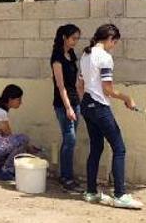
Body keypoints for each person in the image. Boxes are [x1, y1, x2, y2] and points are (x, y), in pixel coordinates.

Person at [77, 23, 143, 209]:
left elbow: (79, 86)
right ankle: (120, 195)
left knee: (96, 148)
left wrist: (87, 102)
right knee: (119, 148)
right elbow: (107, 89)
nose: (114, 46)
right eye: (115, 42)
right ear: (110, 39)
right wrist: (127, 98)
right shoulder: (105, 57)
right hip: (99, 107)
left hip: (87, 105)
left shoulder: (85, 55)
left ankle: (90, 192)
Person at [50, 24, 83, 192]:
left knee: (69, 140)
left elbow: (75, 81)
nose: (75, 42)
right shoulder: (57, 58)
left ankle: (66, 175)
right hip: (63, 104)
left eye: (77, 38)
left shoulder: (71, 54)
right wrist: (68, 108)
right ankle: (66, 177)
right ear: (64, 37)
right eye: (73, 38)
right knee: (70, 139)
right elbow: (60, 86)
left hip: (75, 102)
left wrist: (79, 100)